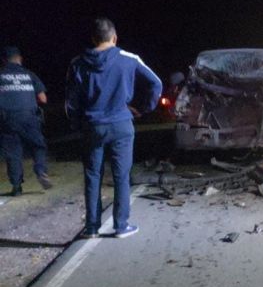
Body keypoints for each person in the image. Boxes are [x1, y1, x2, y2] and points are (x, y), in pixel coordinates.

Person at [66, 18, 162, 238]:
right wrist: (143, 108)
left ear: (93, 39)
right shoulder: (128, 59)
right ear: (114, 37)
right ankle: (121, 225)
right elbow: (156, 83)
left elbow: (71, 101)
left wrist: (77, 124)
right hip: (121, 124)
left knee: (92, 176)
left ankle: (91, 227)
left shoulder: (77, 63)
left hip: (92, 127)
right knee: (121, 175)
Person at [0, 46, 52, 196]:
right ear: (20, 59)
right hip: (29, 117)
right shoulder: (29, 74)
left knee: (13, 153)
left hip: (7, 118)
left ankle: (16, 186)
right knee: (38, 145)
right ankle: (41, 170)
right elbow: (43, 98)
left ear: (4, 60)